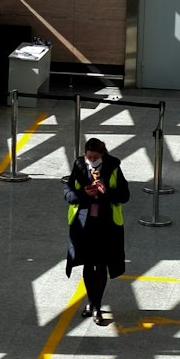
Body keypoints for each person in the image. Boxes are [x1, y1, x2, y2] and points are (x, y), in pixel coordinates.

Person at [64, 137, 130, 325]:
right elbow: (67, 193)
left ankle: (95, 306)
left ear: (102, 155)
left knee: (101, 265)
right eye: (88, 157)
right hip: (83, 224)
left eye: (95, 157)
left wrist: (106, 191)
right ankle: (93, 304)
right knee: (87, 264)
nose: (91, 160)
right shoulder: (79, 167)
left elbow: (125, 195)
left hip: (106, 224)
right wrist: (84, 193)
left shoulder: (113, 168)